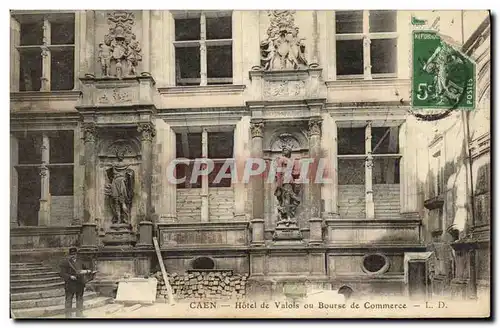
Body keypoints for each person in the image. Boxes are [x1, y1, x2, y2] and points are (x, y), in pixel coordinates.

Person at [59, 247, 95, 318]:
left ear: (76, 254)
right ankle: (68, 316)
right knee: (69, 300)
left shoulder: (80, 261)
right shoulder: (65, 262)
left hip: (79, 283)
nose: (73, 255)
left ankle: (79, 314)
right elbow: (62, 273)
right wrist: (70, 276)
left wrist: (87, 271)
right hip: (70, 283)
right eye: (71, 254)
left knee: (80, 299)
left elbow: (85, 269)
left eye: (74, 254)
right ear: (69, 255)